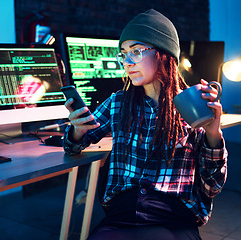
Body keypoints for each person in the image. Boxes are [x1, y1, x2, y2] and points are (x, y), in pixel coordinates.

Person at [62, 9, 228, 240]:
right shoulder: (118, 102)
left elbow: (213, 186)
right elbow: (72, 148)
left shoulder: (194, 107)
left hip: (174, 217)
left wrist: (213, 133)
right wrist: (77, 131)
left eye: (137, 52)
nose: (127, 62)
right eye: (123, 54)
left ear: (164, 54)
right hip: (121, 215)